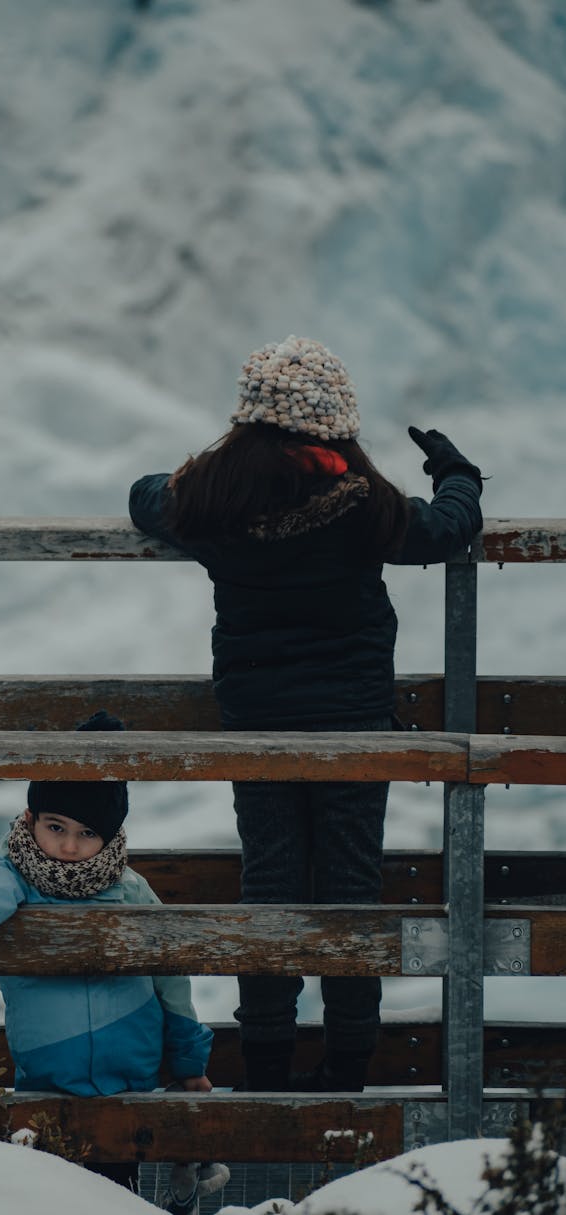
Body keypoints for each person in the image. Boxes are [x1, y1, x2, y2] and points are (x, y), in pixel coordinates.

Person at [128, 335, 484, 1095]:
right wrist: (456, 470)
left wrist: (198, 474)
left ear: (250, 422)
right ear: (337, 427)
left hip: (258, 726)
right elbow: (449, 525)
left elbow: (143, 494)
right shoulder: (365, 505)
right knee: (352, 886)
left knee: (272, 882)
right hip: (356, 728)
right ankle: (347, 1068)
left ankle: (263, 1069)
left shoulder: (211, 503)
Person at [0, 710, 228, 1211]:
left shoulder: (130, 890)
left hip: (127, 1080)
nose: (66, 846)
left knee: (116, 1196)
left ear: (108, 836)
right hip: (47, 1081)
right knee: (51, 1195)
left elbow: (171, 976)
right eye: (55, 826)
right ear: (32, 819)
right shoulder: (15, 873)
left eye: (86, 834)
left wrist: (189, 1062)